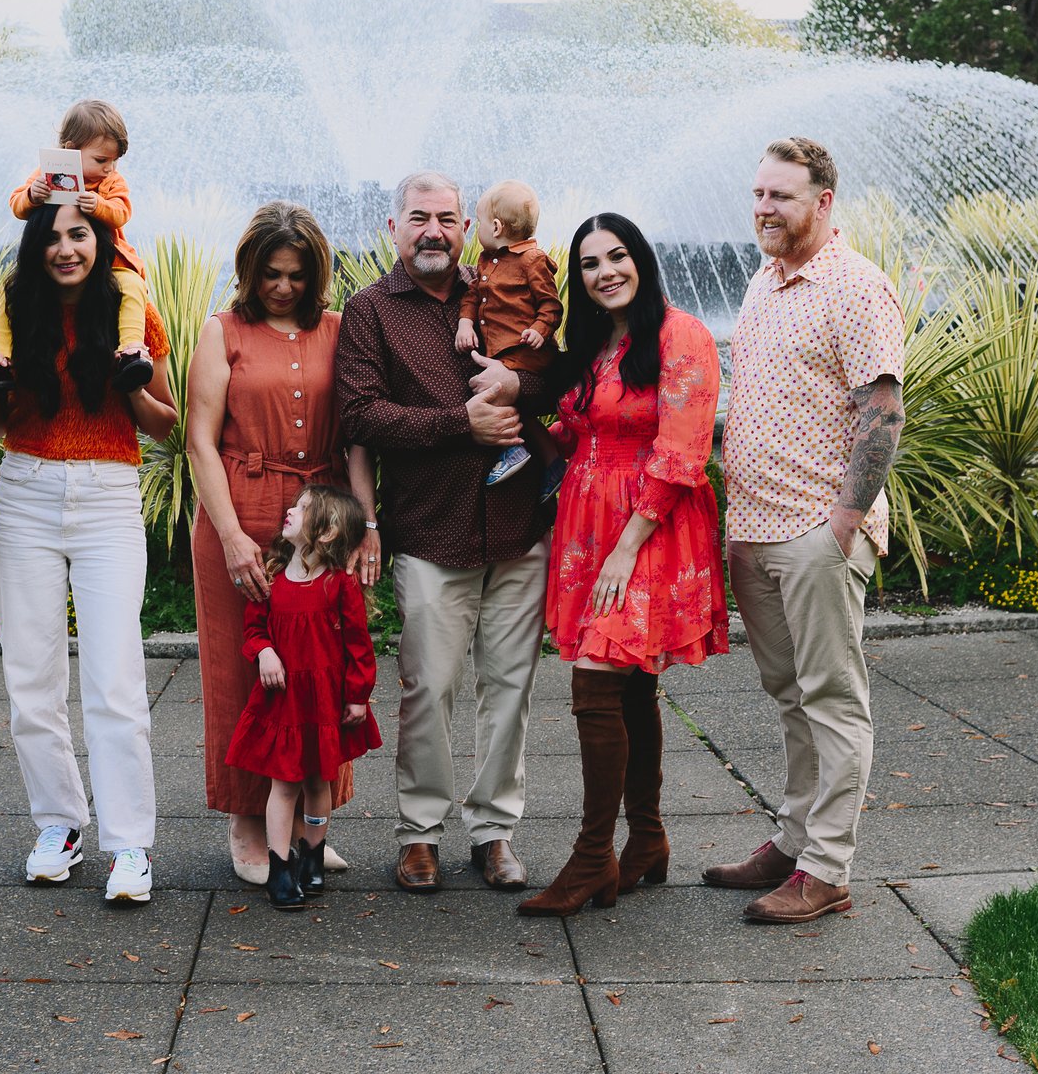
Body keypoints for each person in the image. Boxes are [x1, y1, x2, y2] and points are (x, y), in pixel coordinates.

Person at [702, 137, 906, 926]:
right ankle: (794, 837)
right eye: (758, 193)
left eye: (781, 196)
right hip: (754, 529)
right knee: (789, 694)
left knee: (832, 699)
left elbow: (882, 412)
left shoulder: (856, 288)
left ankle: (827, 867)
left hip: (814, 532)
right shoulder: (764, 279)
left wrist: (843, 523)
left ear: (824, 202)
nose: (763, 207)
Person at [336, 171, 551, 895]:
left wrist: (520, 387)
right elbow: (360, 415)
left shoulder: (502, 283)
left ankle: (494, 832)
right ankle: (420, 833)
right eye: (419, 216)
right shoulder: (369, 310)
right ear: (393, 226)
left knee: (511, 686)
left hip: (519, 527)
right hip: (431, 528)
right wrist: (462, 423)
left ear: (469, 226)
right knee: (429, 686)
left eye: (448, 218)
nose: (434, 229)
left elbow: (556, 375)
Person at [519, 212, 729, 917]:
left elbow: (681, 454)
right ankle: (647, 840)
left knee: (598, 676)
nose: (605, 270)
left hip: (647, 526)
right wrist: (508, 417)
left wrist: (625, 546)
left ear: (640, 258)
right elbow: (576, 431)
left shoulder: (682, 335)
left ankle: (590, 860)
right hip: (591, 520)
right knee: (631, 685)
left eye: (617, 256)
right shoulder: (595, 343)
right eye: (589, 263)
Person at [0, 200, 179, 906]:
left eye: (79, 234)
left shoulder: (130, 309)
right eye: (52, 236)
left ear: (102, 239)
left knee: (114, 679)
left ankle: (129, 845)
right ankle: (59, 824)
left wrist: (132, 380)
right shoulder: (12, 308)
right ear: (35, 247)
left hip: (108, 495)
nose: (66, 248)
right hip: (25, 490)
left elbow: (166, 422)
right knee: (32, 680)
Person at [183, 201, 370, 884]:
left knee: (318, 671)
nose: (283, 287)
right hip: (243, 504)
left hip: (321, 514)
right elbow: (199, 437)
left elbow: (354, 436)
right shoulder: (222, 329)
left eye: (295, 274)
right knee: (245, 674)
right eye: (270, 274)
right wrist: (231, 534)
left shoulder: (340, 329)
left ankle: (309, 825)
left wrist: (359, 528)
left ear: (315, 272)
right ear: (249, 271)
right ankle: (248, 820)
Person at [224, 484, 383, 911]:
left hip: (326, 701)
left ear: (326, 533)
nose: (289, 510)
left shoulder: (338, 585)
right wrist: (266, 652)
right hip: (285, 702)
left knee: (318, 781)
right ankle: (280, 866)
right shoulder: (272, 579)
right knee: (284, 783)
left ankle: (312, 854)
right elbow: (254, 631)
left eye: (302, 507)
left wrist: (357, 696)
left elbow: (358, 645)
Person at [4, 98, 154, 392]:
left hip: (110, 263)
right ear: (71, 150)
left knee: (134, 287)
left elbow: (122, 212)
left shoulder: (112, 183)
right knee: (10, 289)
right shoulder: (47, 173)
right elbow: (17, 205)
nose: (110, 168)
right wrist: (33, 195)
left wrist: (99, 205)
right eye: (102, 160)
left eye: (114, 161)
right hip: (58, 269)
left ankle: (132, 350)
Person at [454, 179, 565, 488]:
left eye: (479, 222)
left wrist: (539, 330)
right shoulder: (487, 262)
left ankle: (512, 450)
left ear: (497, 227)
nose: (476, 229)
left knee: (488, 391)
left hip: (525, 349)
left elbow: (551, 305)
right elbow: (473, 296)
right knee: (519, 410)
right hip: (502, 351)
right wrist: (465, 323)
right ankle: (553, 462)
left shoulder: (532, 261)